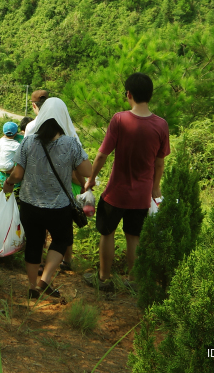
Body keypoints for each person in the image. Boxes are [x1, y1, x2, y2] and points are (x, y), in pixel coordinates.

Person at [86, 73, 170, 292]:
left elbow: (102, 155)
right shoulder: (161, 125)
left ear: (129, 94)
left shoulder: (120, 119)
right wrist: (155, 188)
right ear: (150, 95)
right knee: (134, 236)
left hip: (116, 193)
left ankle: (104, 278)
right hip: (142, 196)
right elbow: (159, 163)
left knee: (107, 233)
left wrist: (92, 179)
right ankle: (133, 280)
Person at [3, 98, 92, 298]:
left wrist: (8, 184)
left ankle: (32, 286)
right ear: (64, 117)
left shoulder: (27, 142)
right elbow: (87, 170)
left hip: (29, 204)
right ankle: (45, 280)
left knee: (34, 242)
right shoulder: (70, 143)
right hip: (58, 206)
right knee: (62, 239)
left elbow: (17, 175)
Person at [0, 121, 22, 187]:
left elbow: (4, 137)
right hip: (8, 166)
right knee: (18, 169)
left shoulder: (1, 141)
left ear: (4, 133)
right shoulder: (16, 145)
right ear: (16, 133)